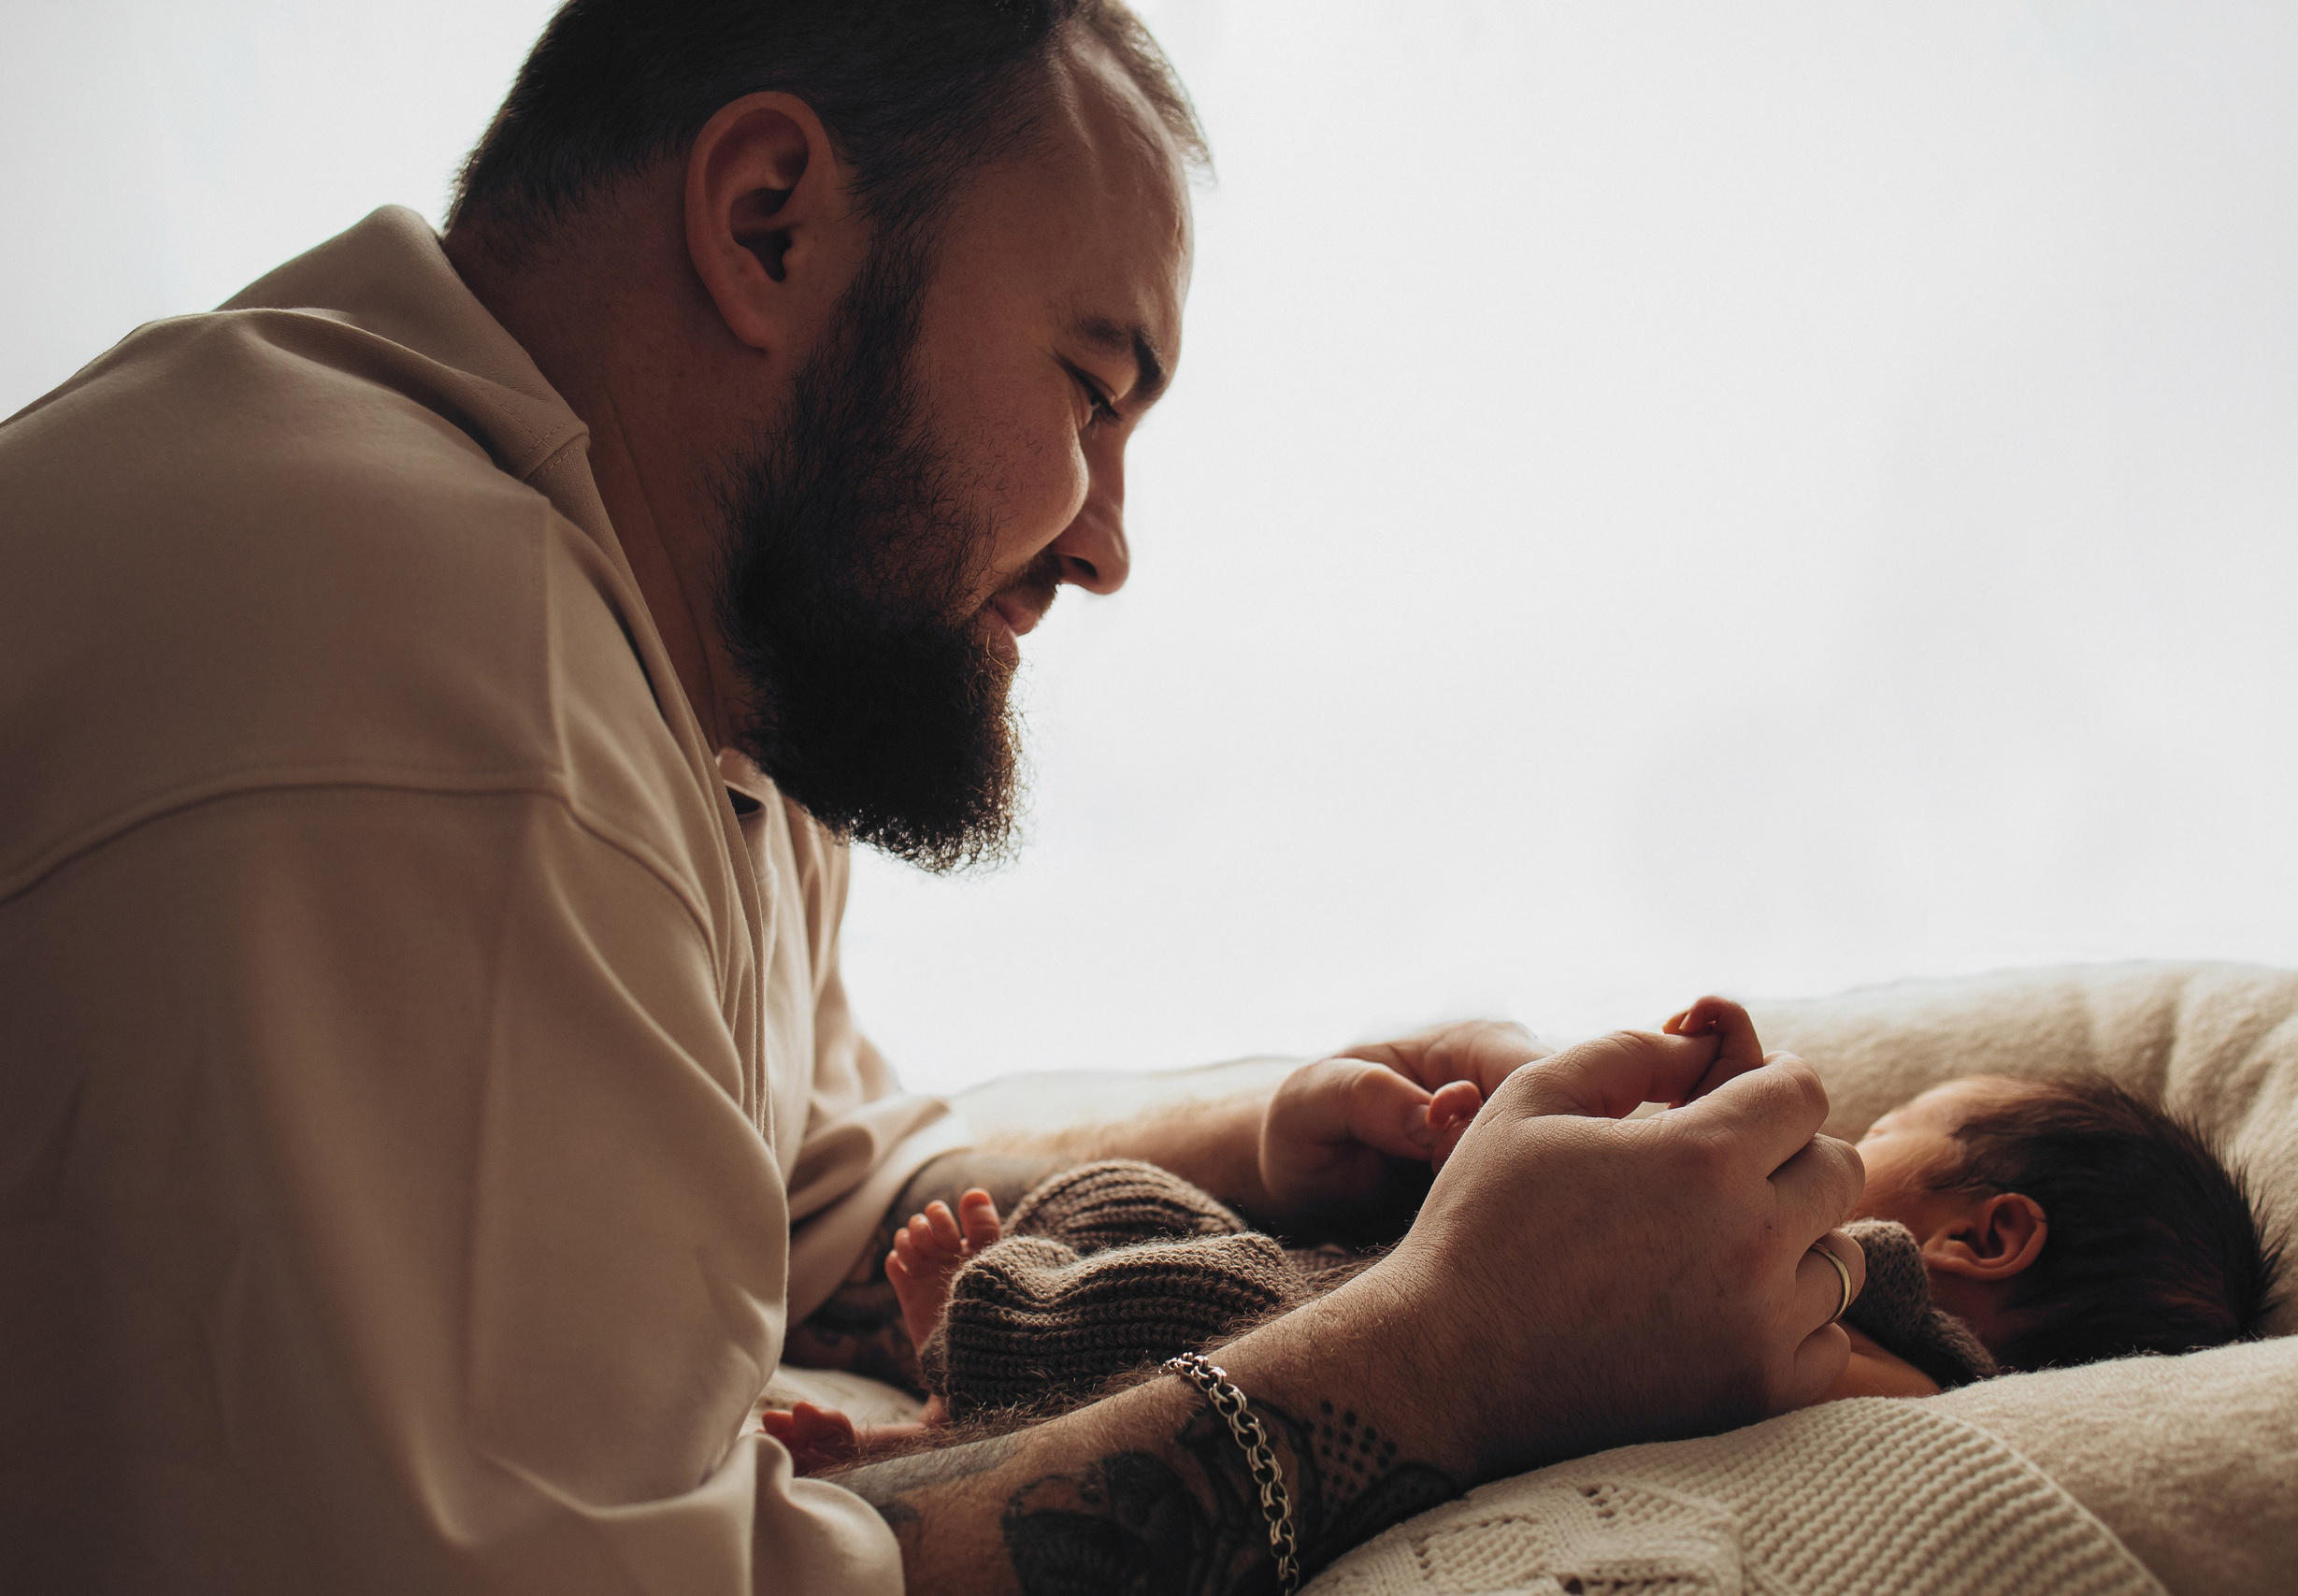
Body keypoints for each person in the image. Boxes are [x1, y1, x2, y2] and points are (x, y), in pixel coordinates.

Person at [0, 4, 1868, 1593]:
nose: (1110, 544)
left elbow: (811, 1190)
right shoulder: (445, 674)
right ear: (768, 224)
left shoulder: (690, 697)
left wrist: (1286, 1139)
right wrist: (1459, 1348)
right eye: (1088, 385)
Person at [799, 998, 2276, 1456]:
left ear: (1987, 1238)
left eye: (1884, 1143)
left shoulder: (1926, 1364)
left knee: (1188, 1300)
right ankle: (945, 1406)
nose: (1843, 1153)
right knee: (1147, 1219)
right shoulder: (1869, 1299)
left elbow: (1827, 1361)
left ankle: (954, 1393)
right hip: (1370, 1276)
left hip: (1350, 1336)